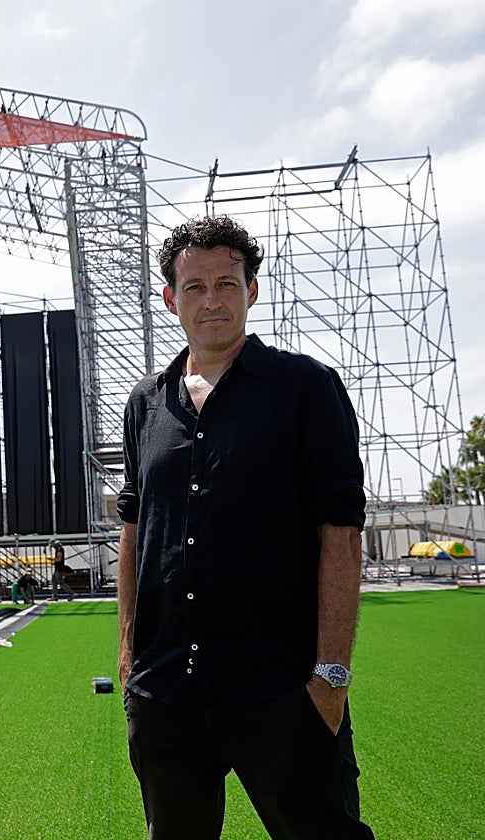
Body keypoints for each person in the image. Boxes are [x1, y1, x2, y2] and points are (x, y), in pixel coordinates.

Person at [116, 216, 373, 839]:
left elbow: (340, 533)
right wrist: (128, 652)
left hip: (281, 689)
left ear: (251, 291)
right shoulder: (146, 402)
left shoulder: (305, 388)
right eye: (195, 286)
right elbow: (133, 527)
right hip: (165, 694)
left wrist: (330, 677)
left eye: (227, 284)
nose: (212, 300)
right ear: (171, 298)